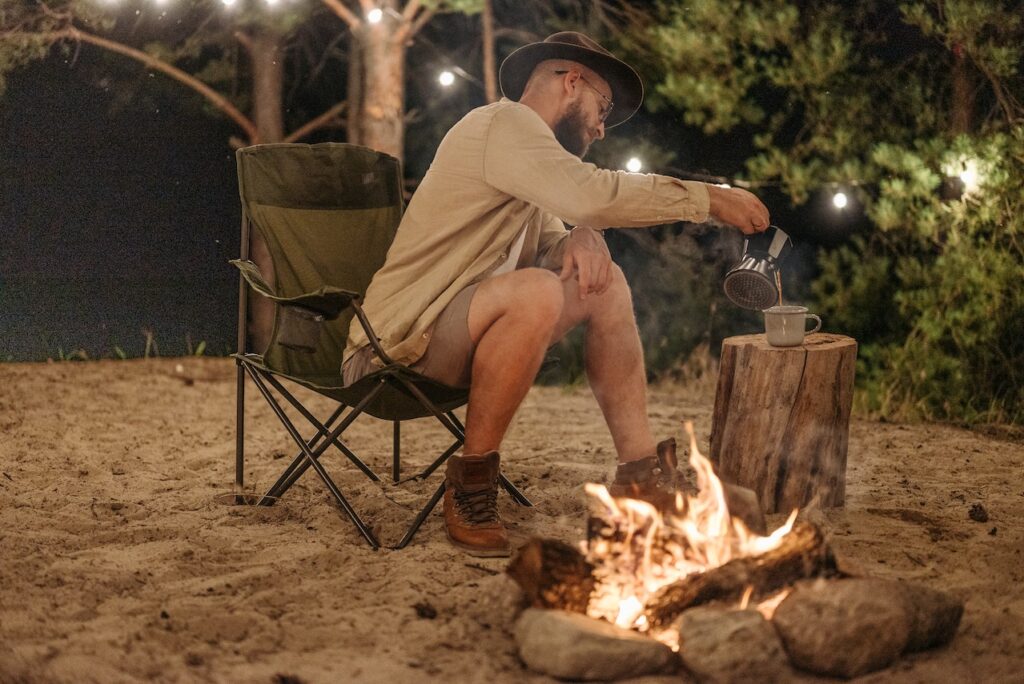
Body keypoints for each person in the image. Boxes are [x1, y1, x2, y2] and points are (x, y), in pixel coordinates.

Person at [343, 32, 770, 557]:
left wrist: (582, 235)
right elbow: (587, 194)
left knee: (602, 284)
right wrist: (708, 199)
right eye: (603, 105)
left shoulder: (526, 159)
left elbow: (556, 238)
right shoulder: (503, 124)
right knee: (539, 294)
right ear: (572, 82)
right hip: (394, 345)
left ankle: (638, 475)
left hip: (451, 337)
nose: (602, 125)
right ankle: (471, 486)